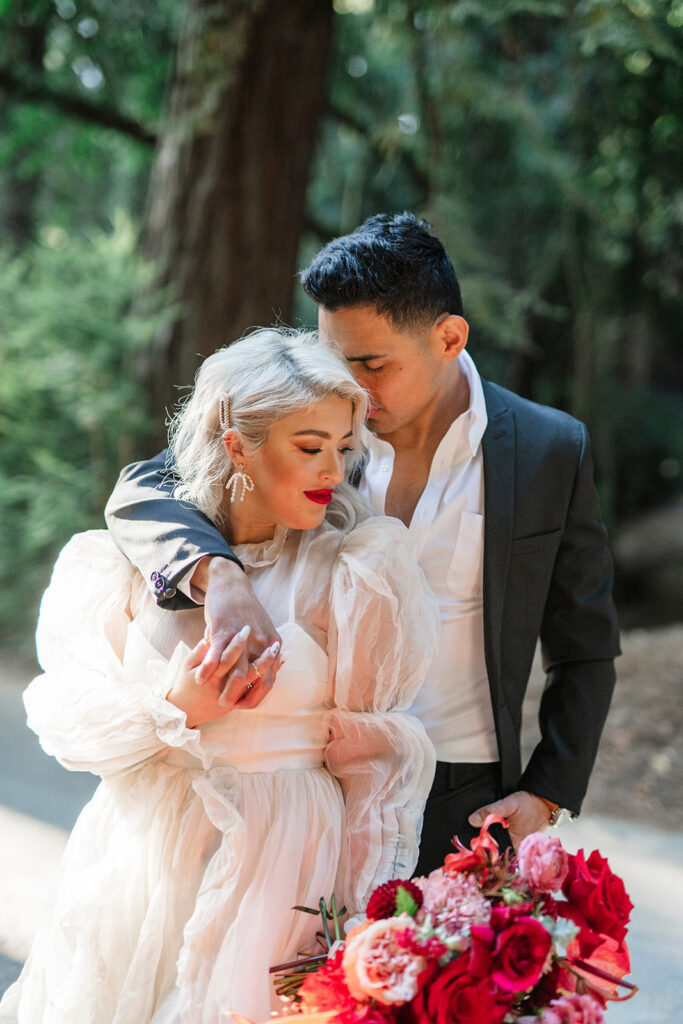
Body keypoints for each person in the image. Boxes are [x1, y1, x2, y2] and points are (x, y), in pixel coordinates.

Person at [103, 212, 620, 871]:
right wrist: (220, 575)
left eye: (371, 365)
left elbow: (585, 647)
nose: (349, 387)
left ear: (449, 337)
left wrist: (546, 792)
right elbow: (144, 487)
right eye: (334, 361)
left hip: (462, 794)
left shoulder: (550, 449)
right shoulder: (314, 421)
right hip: (313, 783)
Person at [0, 329, 439, 1024]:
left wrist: (358, 918)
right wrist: (179, 705)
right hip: (141, 864)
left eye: (339, 446)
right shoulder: (128, 563)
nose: (332, 470)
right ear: (237, 443)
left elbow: (377, 764)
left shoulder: (356, 571)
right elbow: (70, 725)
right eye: (307, 446)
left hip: (285, 873)